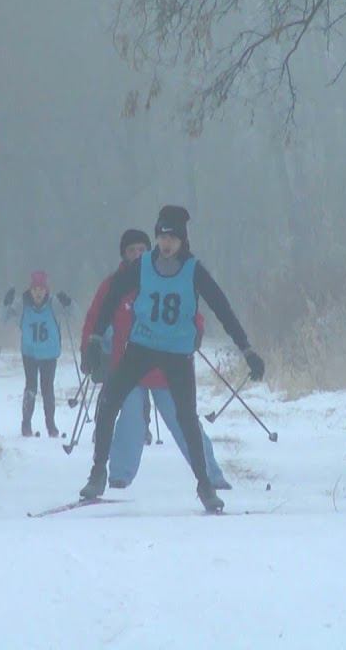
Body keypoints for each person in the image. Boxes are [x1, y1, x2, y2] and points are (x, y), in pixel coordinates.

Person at [80, 206, 264, 512]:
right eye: (162, 237)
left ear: (182, 241)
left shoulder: (193, 270)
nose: (166, 244)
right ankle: (98, 472)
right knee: (109, 401)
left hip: (176, 354)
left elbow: (222, 308)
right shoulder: (142, 266)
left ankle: (205, 485)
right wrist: (96, 339)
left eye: (172, 238)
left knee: (187, 419)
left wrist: (247, 350)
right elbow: (111, 296)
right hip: (141, 347)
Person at [80, 229, 231, 490]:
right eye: (131, 251)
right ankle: (119, 475)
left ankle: (210, 475)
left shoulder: (166, 276)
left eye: (142, 250)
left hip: (166, 367)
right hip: (127, 366)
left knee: (183, 422)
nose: (137, 255)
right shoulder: (114, 284)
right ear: (124, 255)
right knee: (130, 420)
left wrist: (196, 330)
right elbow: (95, 318)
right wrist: (89, 349)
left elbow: (189, 308)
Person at [0, 271, 73, 437]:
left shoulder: (54, 303)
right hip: (30, 353)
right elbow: (2, 319)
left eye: (41, 289)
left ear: (46, 290)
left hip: (49, 354)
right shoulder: (22, 304)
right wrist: (6, 303)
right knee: (31, 387)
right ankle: (26, 424)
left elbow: (74, 314)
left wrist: (68, 303)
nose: (38, 293)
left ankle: (51, 425)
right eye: (35, 289)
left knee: (48, 389)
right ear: (30, 290)